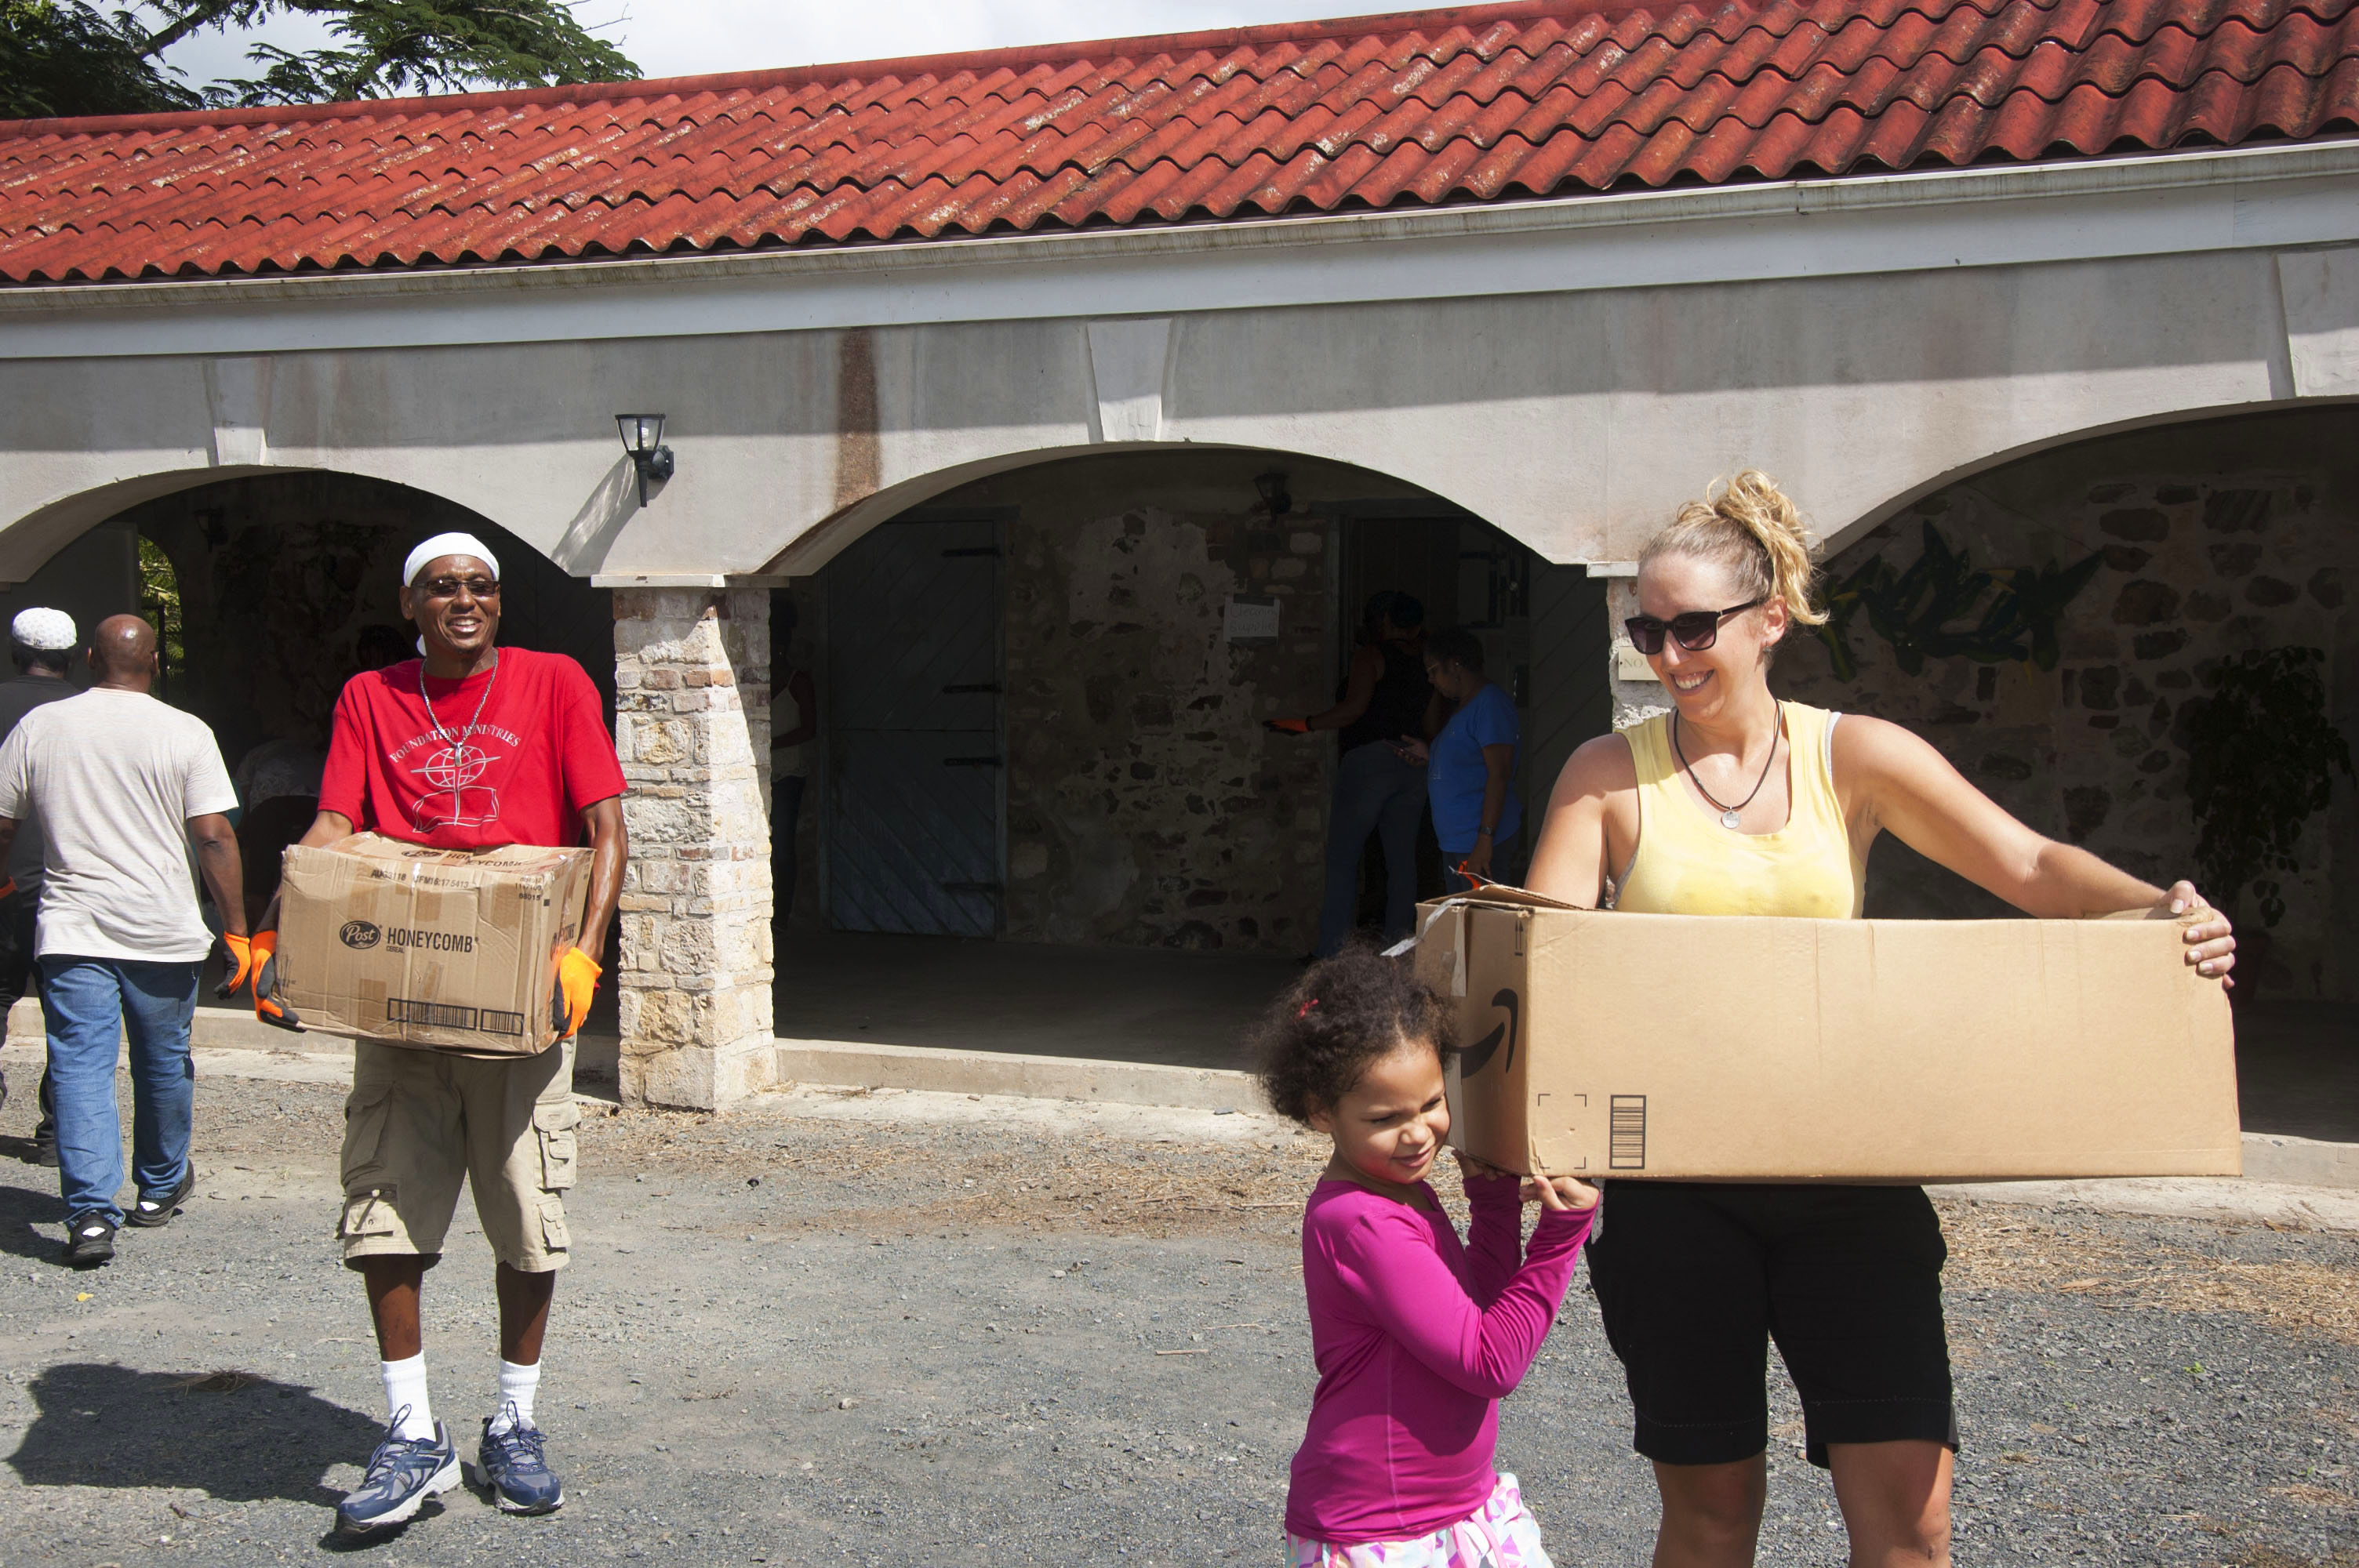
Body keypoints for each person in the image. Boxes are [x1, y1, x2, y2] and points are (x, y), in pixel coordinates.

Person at [1525, 470, 2238, 1568]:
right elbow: (1547, 964)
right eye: (1647, 632)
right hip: (1675, 1192)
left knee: (1911, 1521)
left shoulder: (1849, 755)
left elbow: (2028, 865)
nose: (1668, 656)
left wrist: (2161, 910)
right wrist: (1541, 1130)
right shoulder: (1606, 774)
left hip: (1849, 1179)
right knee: (1710, 1515)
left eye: (1693, 628)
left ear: (1769, 620)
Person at [242, 532, 627, 1534]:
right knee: (384, 1208)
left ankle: (514, 1419)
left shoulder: (553, 682)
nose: (465, 600)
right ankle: (413, 1432)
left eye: (481, 586)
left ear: (499, 602)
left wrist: (585, 952)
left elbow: (606, 829)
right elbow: (336, 825)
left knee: (527, 1214)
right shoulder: (371, 697)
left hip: (519, 1000)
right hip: (403, 1001)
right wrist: (281, 922)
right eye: (443, 587)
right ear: (411, 602)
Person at [1256, 946, 1598, 1568]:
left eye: (1432, 1104)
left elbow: (1476, 1310)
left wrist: (1495, 1207)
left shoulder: (1398, 1189)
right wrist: (1560, 1237)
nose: (1418, 1133)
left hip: (1458, 1510)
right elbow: (1491, 1362)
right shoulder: (1361, 1221)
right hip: (1380, 1534)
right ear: (1320, 1111)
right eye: (1385, 1118)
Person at [0, 615, 248, 1268]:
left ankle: (89, 1215)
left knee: (80, 1066)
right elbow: (213, 835)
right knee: (162, 1063)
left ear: (89, 658)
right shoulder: (186, 731)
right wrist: (237, 929)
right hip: (162, 931)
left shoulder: (42, 727)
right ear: (157, 663)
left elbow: (3, 822)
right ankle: (158, 1188)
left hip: (73, 928)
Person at [1270, 592, 1434, 956]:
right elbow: (1431, 720)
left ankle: (1332, 953)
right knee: (1402, 864)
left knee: (1344, 860)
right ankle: (1397, 951)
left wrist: (1304, 724)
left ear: (1386, 622)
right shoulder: (1426, 663)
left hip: (1370, 761)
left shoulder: (1372, 656)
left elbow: (1353, 709)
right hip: (1412, 763)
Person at [0, 608, 82, 1165]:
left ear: (15, 653)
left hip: (4, 882)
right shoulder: (87, 711)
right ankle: (57, 1133)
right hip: (69, 884)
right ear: (73, 659)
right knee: (68, 1012)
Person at [1402, 627, 1522, 892]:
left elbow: (1499, 774)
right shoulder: (1465, 707)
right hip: (1459, 842)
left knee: (1482, 917)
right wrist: (1430, 756)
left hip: (1478, 844)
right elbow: (1466, 760)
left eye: (1434, 671)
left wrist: (1485, 840)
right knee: (1463, 917)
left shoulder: (1489, 704)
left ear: (1456, 665)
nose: (1431, 680)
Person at [769, 593, 817, 921]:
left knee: (783, 847)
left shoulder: (798, 682)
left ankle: (781, 917)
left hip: (787, 774)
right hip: (764, 773)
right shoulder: (758, 680)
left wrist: (771, 745)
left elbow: (809, 729)